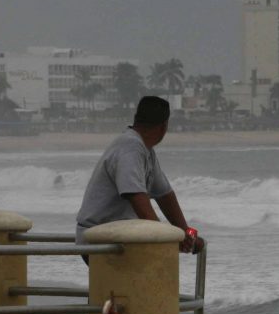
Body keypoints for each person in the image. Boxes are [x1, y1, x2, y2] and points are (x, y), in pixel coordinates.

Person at [75, 95, 204, 255]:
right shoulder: (130, 147)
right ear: (164, 127)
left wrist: (185, 232)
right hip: (98, 237)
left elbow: (165, 195)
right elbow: (135, 195)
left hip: (120, 235)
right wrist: (162, 235)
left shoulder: (145, 150)